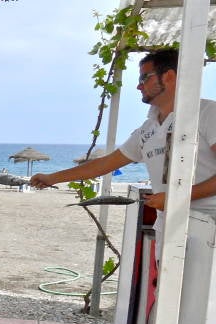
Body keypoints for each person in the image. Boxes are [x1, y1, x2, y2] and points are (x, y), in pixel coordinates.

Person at [30, 48, 216, 251]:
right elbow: (104, 164)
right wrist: (52, 178)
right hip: (170, 229)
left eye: (144, 78)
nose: (138, 86)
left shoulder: (207, 114)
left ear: (169, 76)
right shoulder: (148, 128)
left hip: (210, 227)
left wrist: (176, 197)